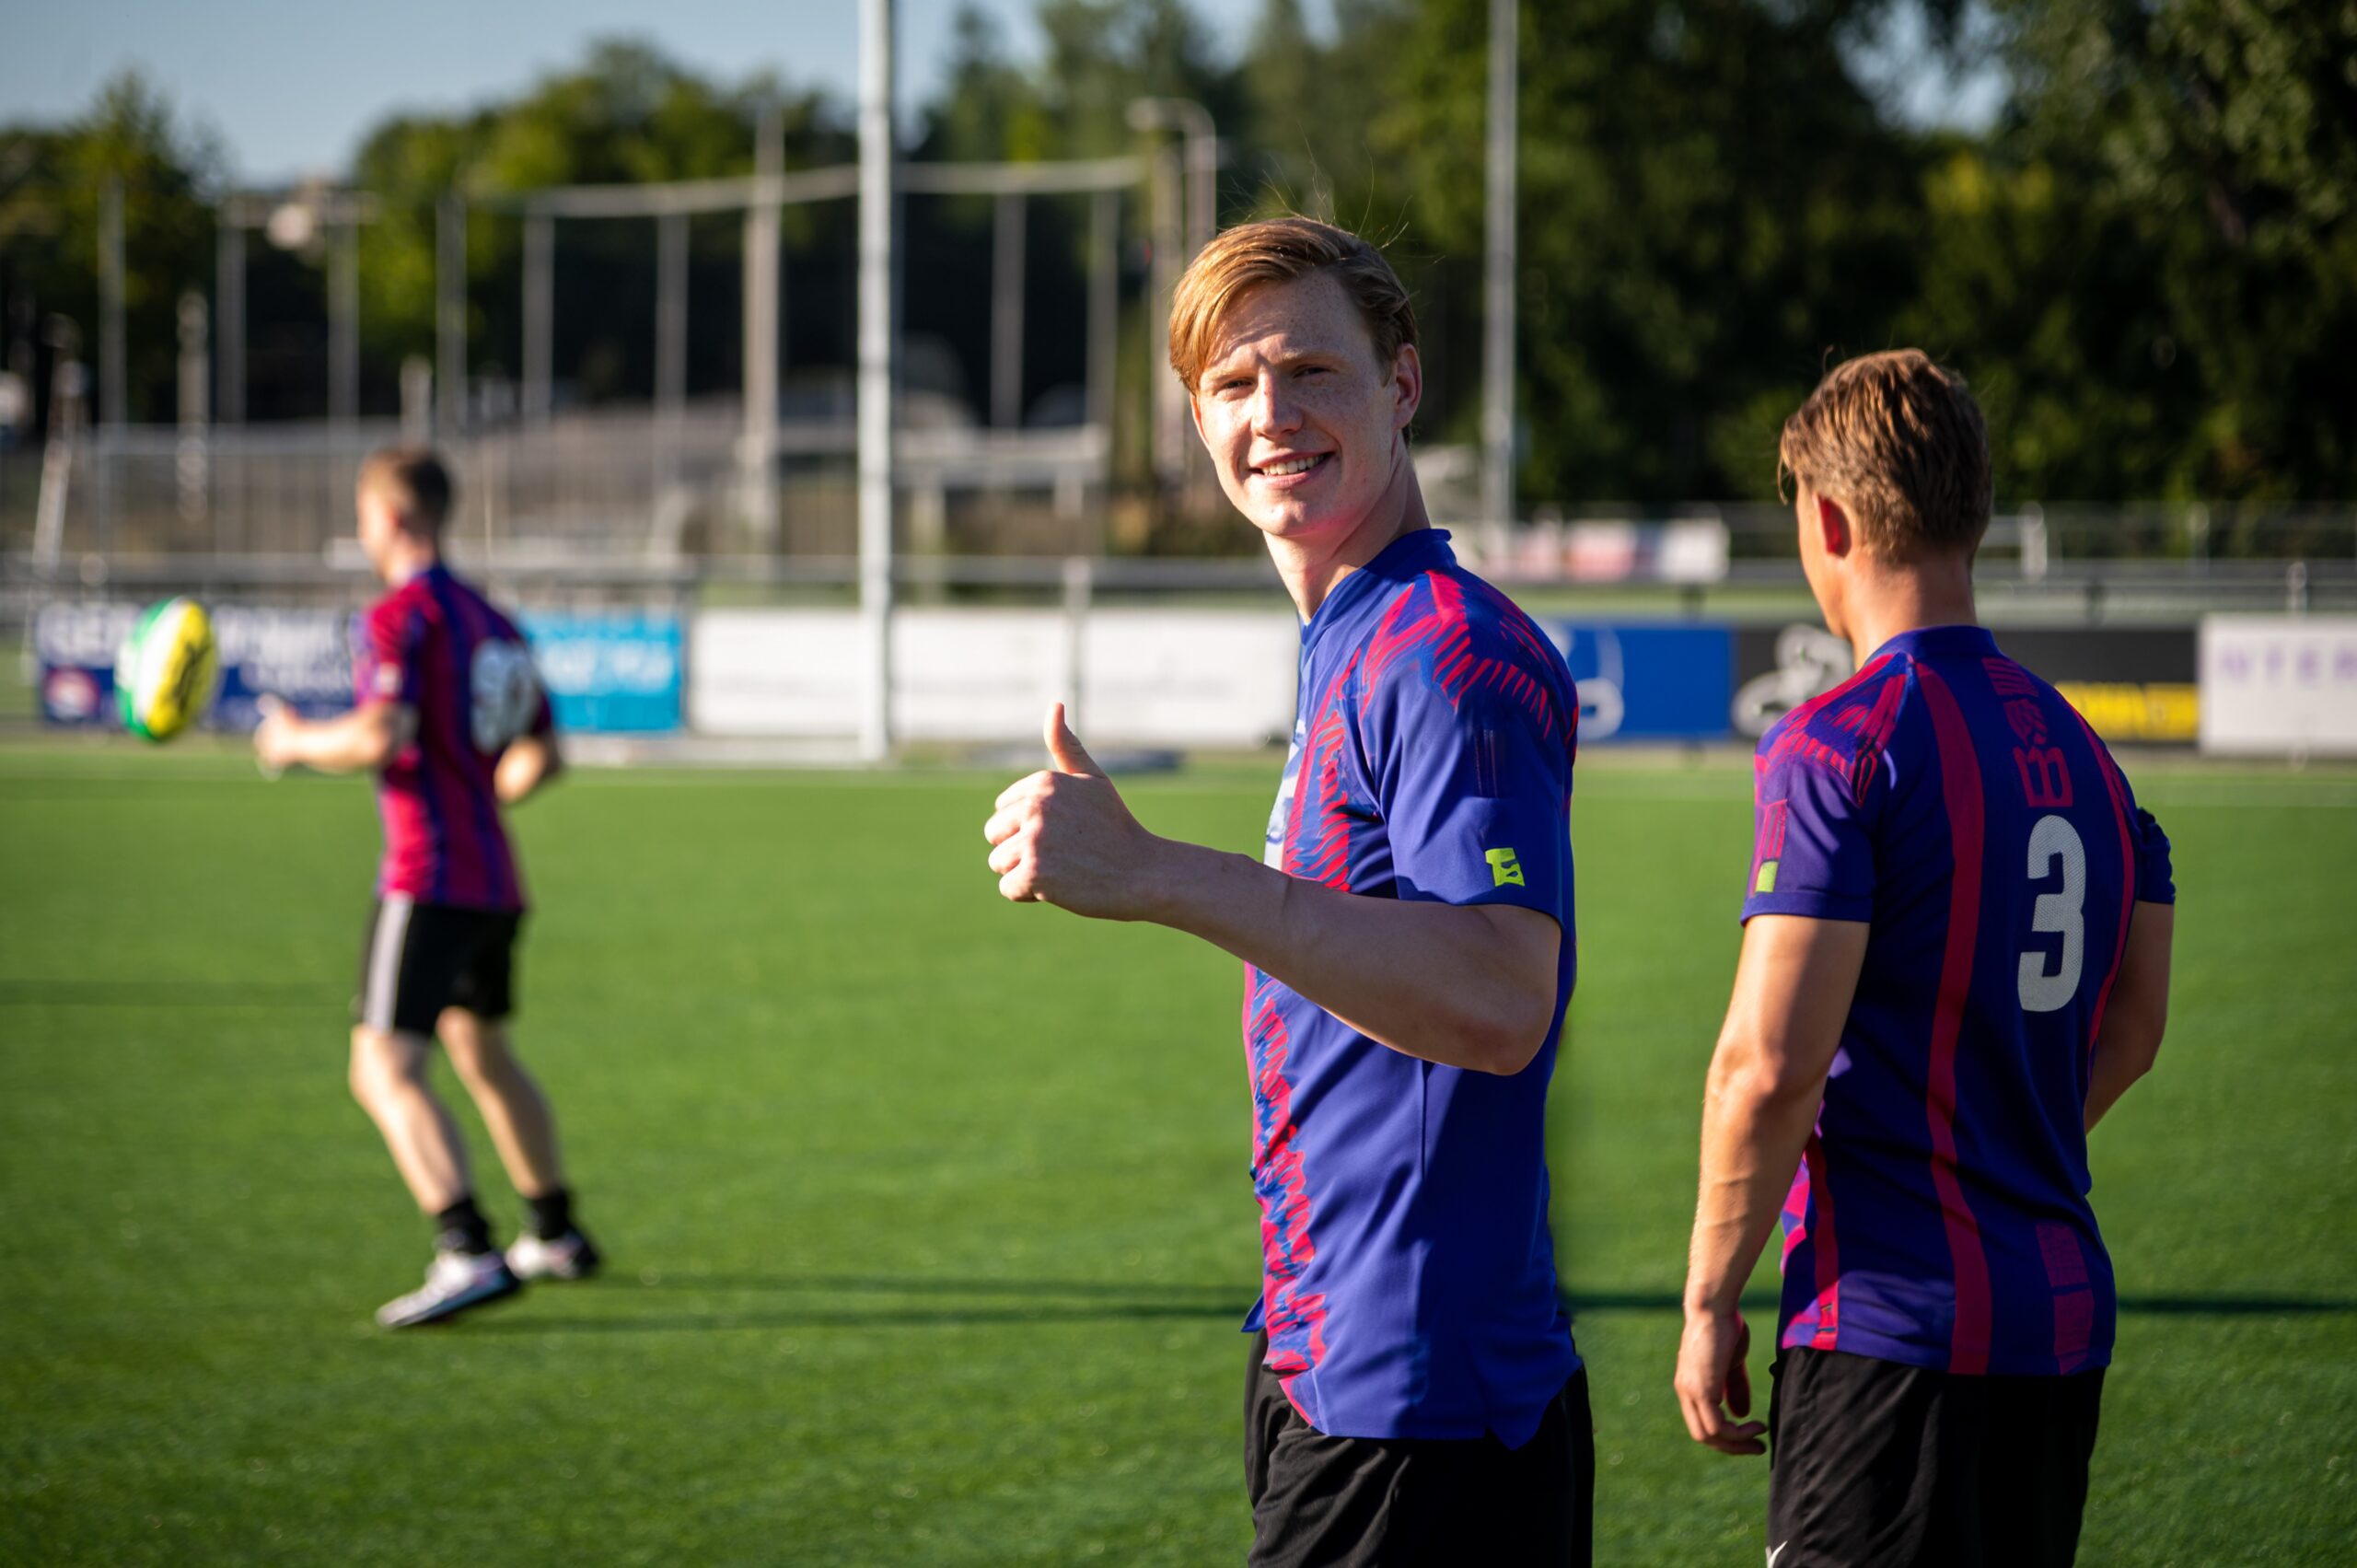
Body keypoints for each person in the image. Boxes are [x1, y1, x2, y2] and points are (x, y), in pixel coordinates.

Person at [984, 217, 1592, 1566]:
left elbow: (1499, 996)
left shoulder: (1443, 652)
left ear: (1403, 385)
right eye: (1235, 385)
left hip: (1421, 1408)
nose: (1275, 414)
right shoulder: (1352, 639)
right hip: (1337, 1365)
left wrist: (1153, 872)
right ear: (1197, 421)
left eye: (1314, 369)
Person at [1673, 351, 2176, 1566]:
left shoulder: (1839, 745)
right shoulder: (2090, 759)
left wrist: (1706, 1296)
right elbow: (2135, 1024)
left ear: (1831, 521)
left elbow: (1766, 1063)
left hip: (1890, 1328)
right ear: (1977, 513)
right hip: (2058, 1321)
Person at [256, 447, 600, 1328]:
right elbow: (544, 753)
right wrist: (481, 792)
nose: (363, 533)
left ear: (394, 518)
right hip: (494, 875)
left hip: (427, 872)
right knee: (480, 1050)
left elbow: (381, 731)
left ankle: (466, 1248)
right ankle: (555, 1231)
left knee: (381, 1066)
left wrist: (292, 742)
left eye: (365, 516)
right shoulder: (494, 620)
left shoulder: (401, 617)